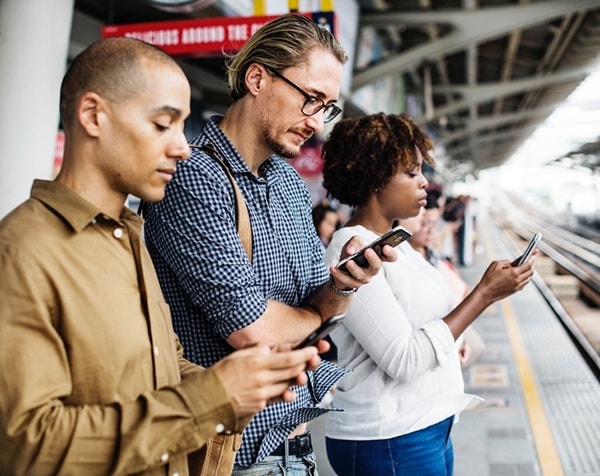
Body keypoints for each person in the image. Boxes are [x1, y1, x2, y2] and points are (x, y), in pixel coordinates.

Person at [0, 36, 326, 476]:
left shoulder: (128, 235)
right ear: (94, 116)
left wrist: (248, 384)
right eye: (162, 125)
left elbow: (164, 365)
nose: (183, 146)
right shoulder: (23, 250)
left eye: (182, 126)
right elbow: (27, 444)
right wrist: (210, 396)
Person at [141, 13, 395, 475]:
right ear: (257, 77)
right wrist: (317, 310)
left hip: (294, 449)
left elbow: (322, 314)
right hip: (231, 456)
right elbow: (253, 330)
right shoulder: (195, 178)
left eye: (328, 108)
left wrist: (343, 284)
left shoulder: (290, 184)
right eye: (311, 100)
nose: (316, 122)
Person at [320, 112, 537, 476]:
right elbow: (404, 358)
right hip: (389, 439)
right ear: (376, 176)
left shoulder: (397, 246)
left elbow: (432, 322)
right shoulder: (353, 250)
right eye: (412, 172)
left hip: (425, 427)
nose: (425, 184)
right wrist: (484, 294)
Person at [400, 196, 485, 370]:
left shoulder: (431, 254)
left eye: (434, 224)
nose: (431, 231)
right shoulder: (405, 258)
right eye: (424, 223)